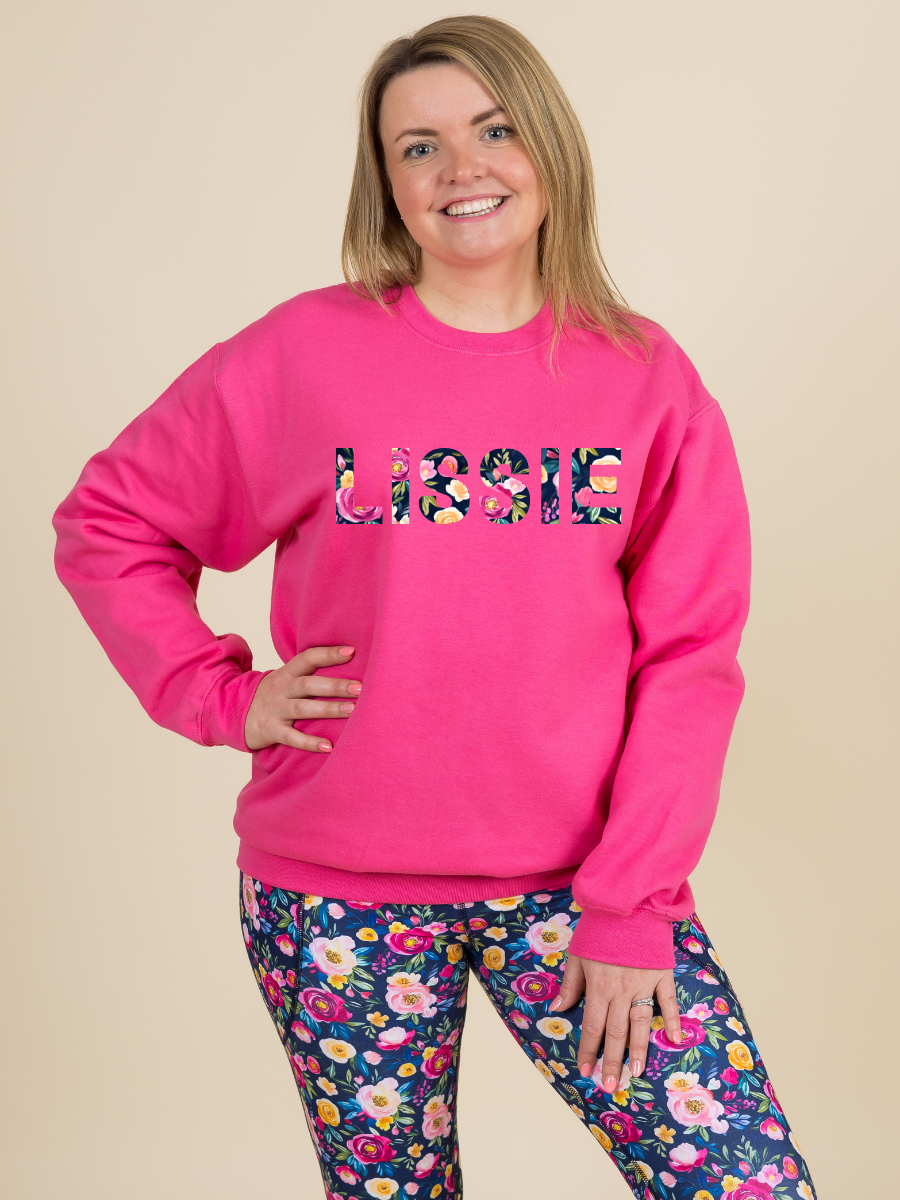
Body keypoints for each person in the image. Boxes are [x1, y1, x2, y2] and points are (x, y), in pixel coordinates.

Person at [53, 14, 817, 1200]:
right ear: (388, 182)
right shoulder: (304, 354)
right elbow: (108, 522)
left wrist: (631, 902)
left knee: (741, 1180)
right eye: (419, 146)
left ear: (548, 145)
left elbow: (690, 658)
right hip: (333, 894)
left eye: (493, 130)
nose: (462, 168)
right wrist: (220, 696)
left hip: (582, 889)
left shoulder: (644, 378)